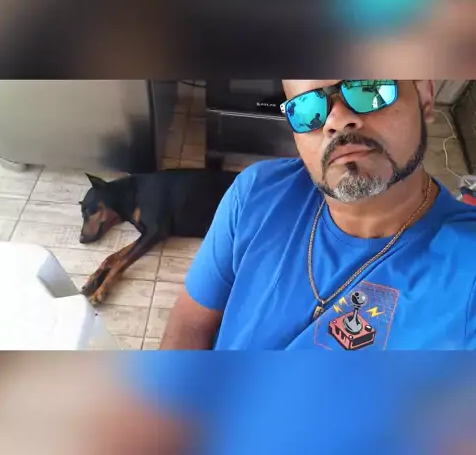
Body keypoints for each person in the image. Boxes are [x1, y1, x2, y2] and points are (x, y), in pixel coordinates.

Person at [161, 80, 476, 351]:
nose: (335, 121)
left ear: (424, 97)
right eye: (306, 107)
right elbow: (191, 321)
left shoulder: (466, 270)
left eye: (368, 88)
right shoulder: (256, 193)